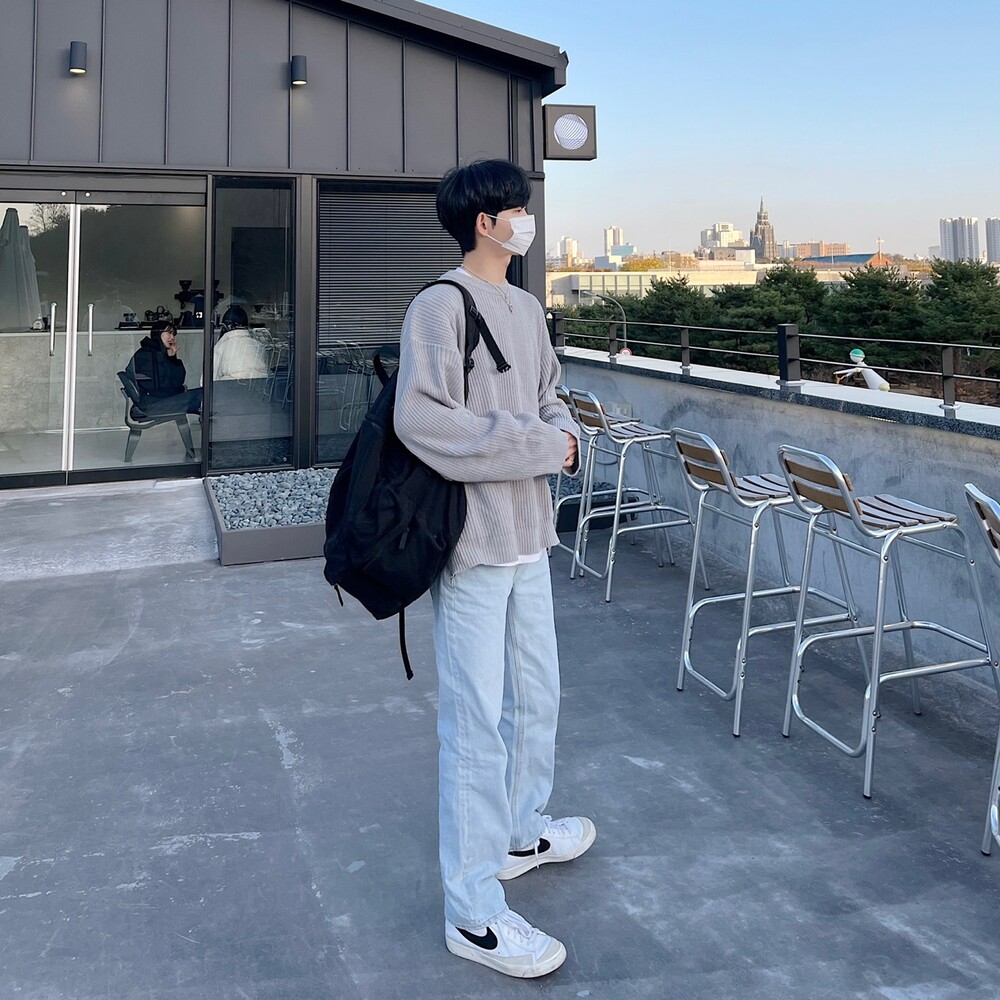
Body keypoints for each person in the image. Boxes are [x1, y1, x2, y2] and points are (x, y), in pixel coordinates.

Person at [394, 159, 594, 979]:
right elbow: (423, 422)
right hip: (473, 542)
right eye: (516, 208)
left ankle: (519, 831)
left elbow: (549, 394)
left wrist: (563, 432)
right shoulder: (440, 307)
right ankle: (473, 913)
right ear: (486, 222)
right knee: (475, 722)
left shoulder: (527, 307)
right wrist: (546, 445)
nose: (525, 219)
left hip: (530, 534)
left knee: (538, 693)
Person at [129, 320, 202, 416]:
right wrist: (180, 390)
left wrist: (172, 358)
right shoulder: (147, 355)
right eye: (169, 333)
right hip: (152, 403)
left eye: (174, 334)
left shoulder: (157, 353)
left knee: (205, 395)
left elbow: (175, 381)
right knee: (204, 396)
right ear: (158, 334)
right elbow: (160, 388)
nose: (172, 337)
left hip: (157, 400)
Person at [213, 305, 269, 381]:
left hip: (229, 386)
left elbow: (209, 379)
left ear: (225, 326)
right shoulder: (257, 345)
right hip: (259, 386)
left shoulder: (221, 346)